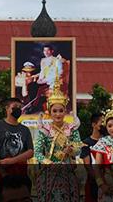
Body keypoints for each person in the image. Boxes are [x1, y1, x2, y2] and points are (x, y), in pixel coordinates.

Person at [33, 74, 82, 202]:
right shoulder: (45, 129)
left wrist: (71, 150)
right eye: (55, 111)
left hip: (67, 173)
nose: (58, 114)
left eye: (61, 111)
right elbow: (37, 152)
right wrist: (49, 163)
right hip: (49, 173)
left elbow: (78, 149)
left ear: (65, 111)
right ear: (50, 111)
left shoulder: (72, 129)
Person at [0, 97, 35, 202]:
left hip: (20, 170)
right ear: (7, 109)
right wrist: (1, 171)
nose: (18, 109)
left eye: (20, 107)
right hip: (1, 168)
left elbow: (30, 152)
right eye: (14, 107)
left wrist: (12, 160)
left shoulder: (25, 130)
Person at [81, 112, 106, 202]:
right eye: (102, 122)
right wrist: (99, 181)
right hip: (93, 182)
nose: (104, 125)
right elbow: (87, 165)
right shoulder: (86, 143)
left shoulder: (108, 141)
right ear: (94, 124)